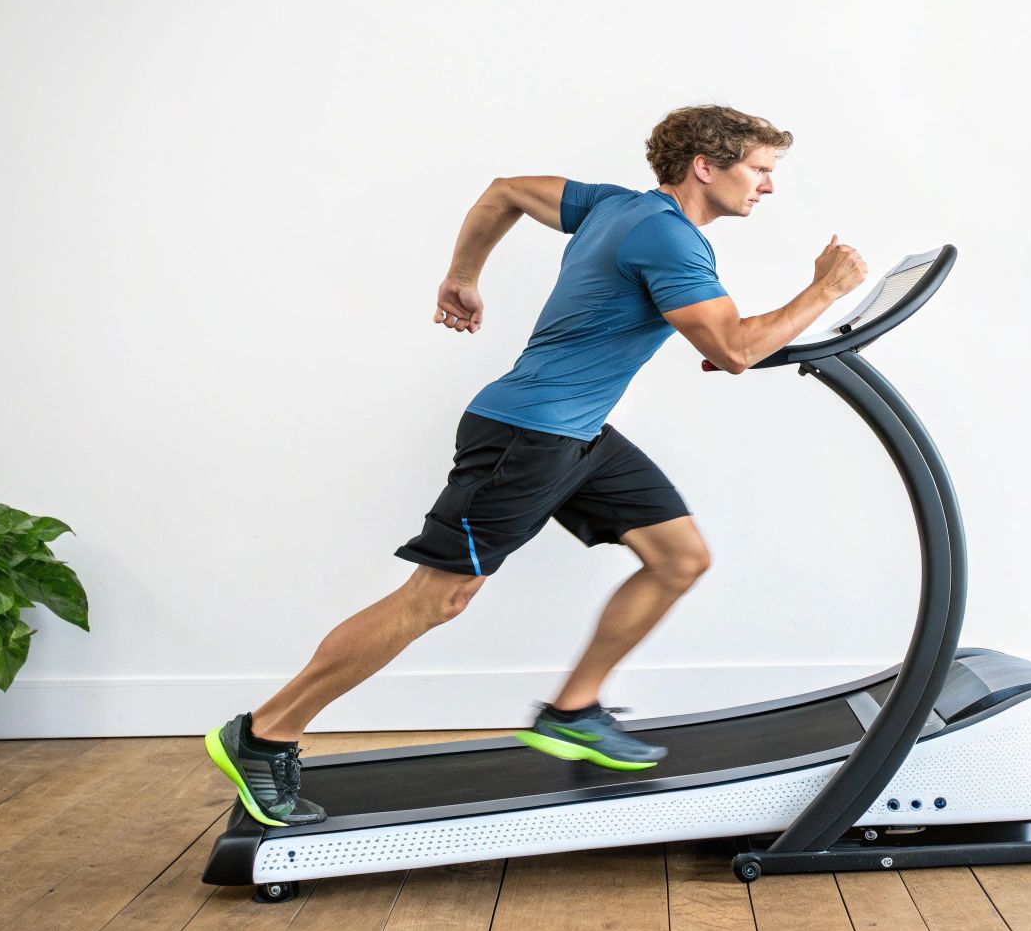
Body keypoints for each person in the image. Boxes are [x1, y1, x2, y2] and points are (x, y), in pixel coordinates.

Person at [204, 105, 869, 826]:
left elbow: (505, 192)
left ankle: (573, 710)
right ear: (706, 166)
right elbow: (736, 349)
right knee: (438, 597)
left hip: (576, 433)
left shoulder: (616, 208)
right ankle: (265, 732)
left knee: (679, 557)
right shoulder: (670, 239)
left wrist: (462, 277)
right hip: (527, 436)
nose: (768, 186)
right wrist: (826, 290)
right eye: (760, 169)